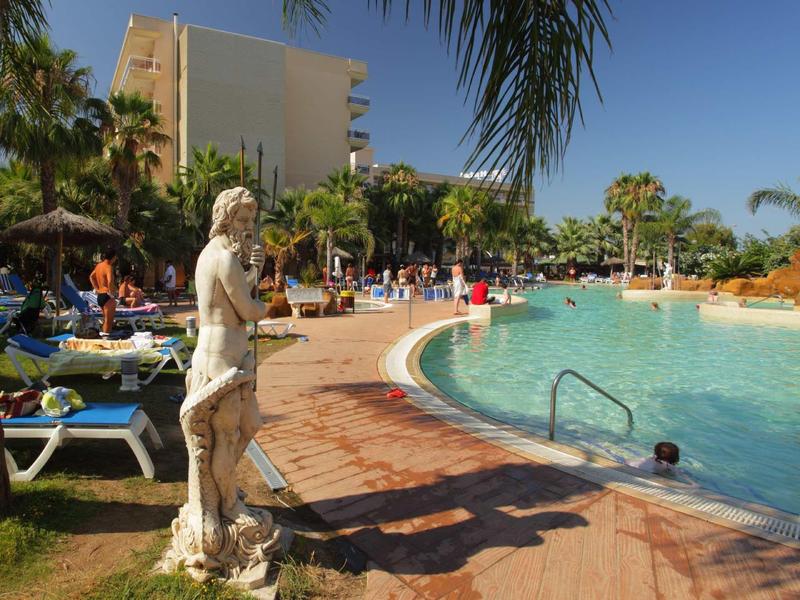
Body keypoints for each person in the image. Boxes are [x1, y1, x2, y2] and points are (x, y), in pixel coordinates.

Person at [89, 248, 118, 334]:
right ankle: (106, 339)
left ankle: (105, 337)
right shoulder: (108, 267)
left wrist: (97, 288)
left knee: (106, 320)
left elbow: (91, 276)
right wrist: (112, 293)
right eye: (115, 257)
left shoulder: (99, 266)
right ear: (113, 257)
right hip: (107, 295)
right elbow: (109, 281)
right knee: (108, 322)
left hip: (100, 295)